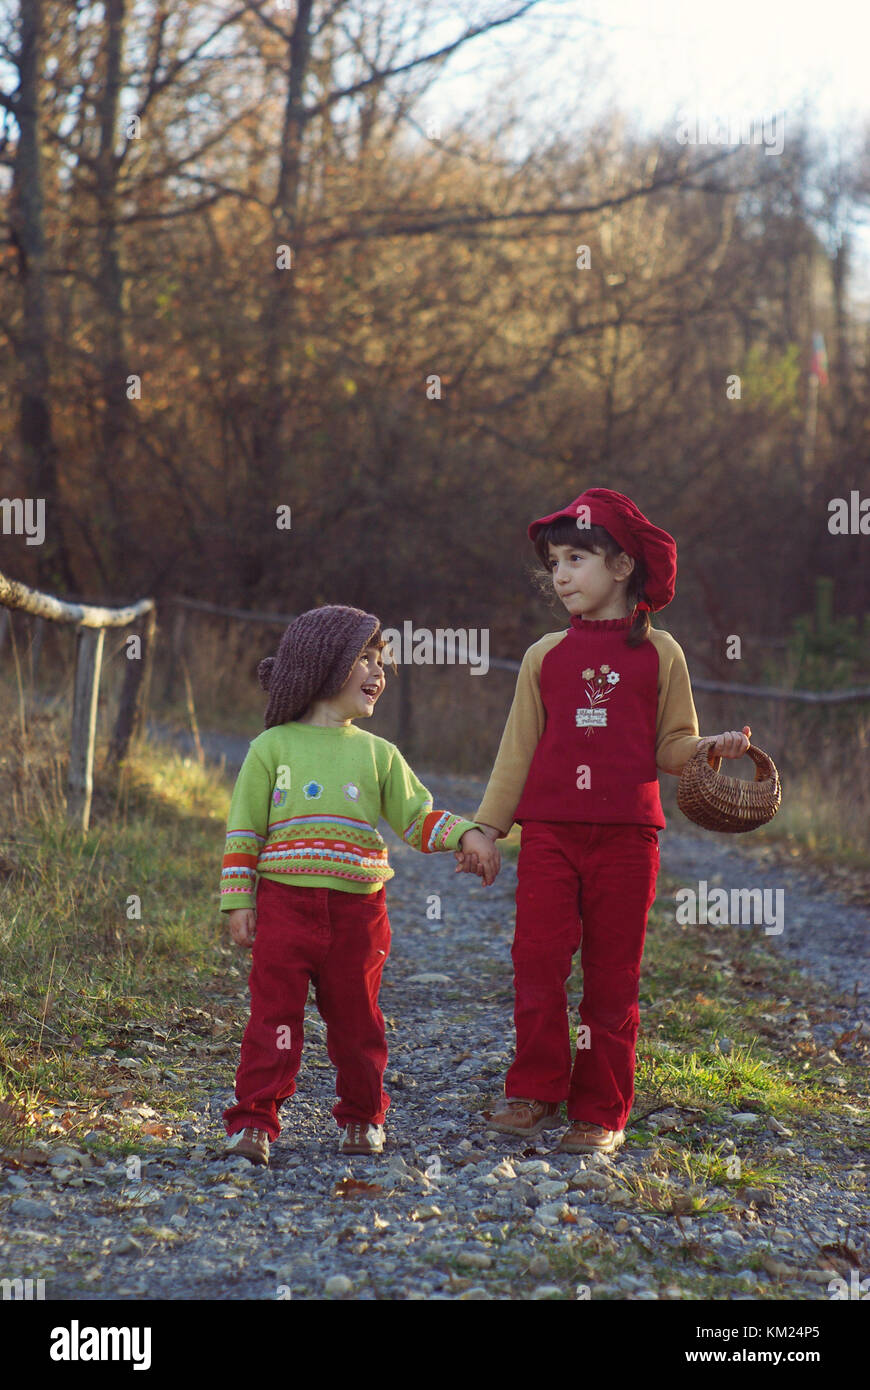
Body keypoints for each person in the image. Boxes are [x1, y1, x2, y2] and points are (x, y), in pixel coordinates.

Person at [467, 488, 751, 1155]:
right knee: (536, 957)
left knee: (612, 972)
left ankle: (600, 1110)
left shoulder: (661, 654)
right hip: (550, 835)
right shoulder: (544, 657)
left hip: (628, 837)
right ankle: (536, 1087)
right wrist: (486, 827)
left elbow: (671, 745)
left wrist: (709, 749)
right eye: (553, 562)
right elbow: (518, 751)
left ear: (623, 566)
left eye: (576, 559)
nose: (560, 574)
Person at [219, 604, 499, 1165]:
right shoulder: (271, 748)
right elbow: (244, 829)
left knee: (357, 1020)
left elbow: (417, 819)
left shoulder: (378, 755)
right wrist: (238, 900)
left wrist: (466, 833)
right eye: (366, 659)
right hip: (283, 904)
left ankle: (362, 1116)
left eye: (383, 661)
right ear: (325, 666)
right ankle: (253, 1121)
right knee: (273, 1017)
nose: (380, 672)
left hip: (358, 912)